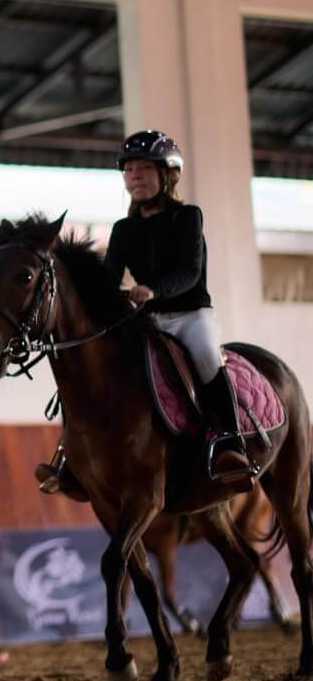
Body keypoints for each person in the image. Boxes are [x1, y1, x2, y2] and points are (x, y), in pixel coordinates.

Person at [37, 130, 253, 497]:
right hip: (145, 319)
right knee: (96, 366)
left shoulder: (187, 218)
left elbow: (189, 273)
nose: (134, 176)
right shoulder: (123, 229)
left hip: (190, 315)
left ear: (167, 175)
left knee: (204, 357)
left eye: (144, 169)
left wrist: (153, 290)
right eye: (129, 170)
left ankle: (231, 444)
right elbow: (108, 279)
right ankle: (70, 459)